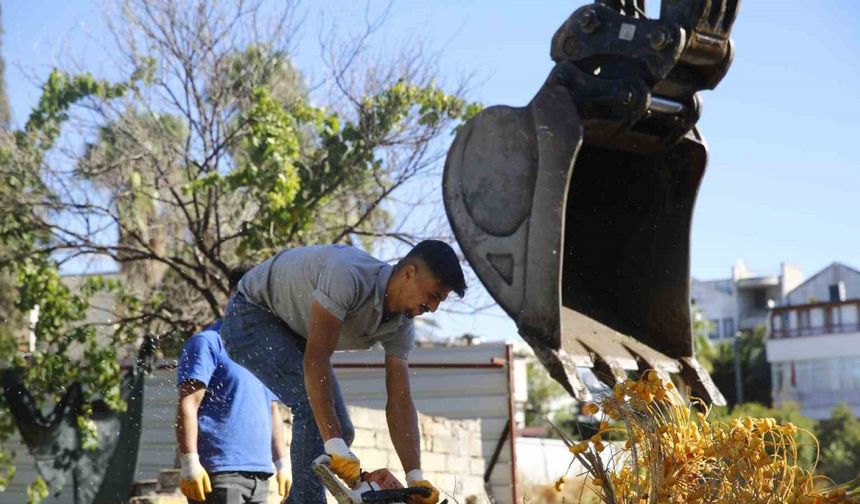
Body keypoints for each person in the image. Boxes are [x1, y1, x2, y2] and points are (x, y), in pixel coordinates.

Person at [220, 241, 466, 504]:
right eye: (433, 295)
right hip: (250, 315)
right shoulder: (348, 274)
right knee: (319, 420)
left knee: (341, 430)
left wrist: (414, 477)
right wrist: (333, 443)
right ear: (409, 273)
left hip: (291, 330)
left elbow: (400, 399)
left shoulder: (401, 325)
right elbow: (316, 358)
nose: (433, 307)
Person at [176, 267, 291, 503]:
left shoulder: (261, 351)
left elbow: (272, 409)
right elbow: (187, 405)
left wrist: (282, 462)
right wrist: (190, 462)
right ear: (232, 294)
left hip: (260, 473)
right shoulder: (207, 343)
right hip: (219, 473)